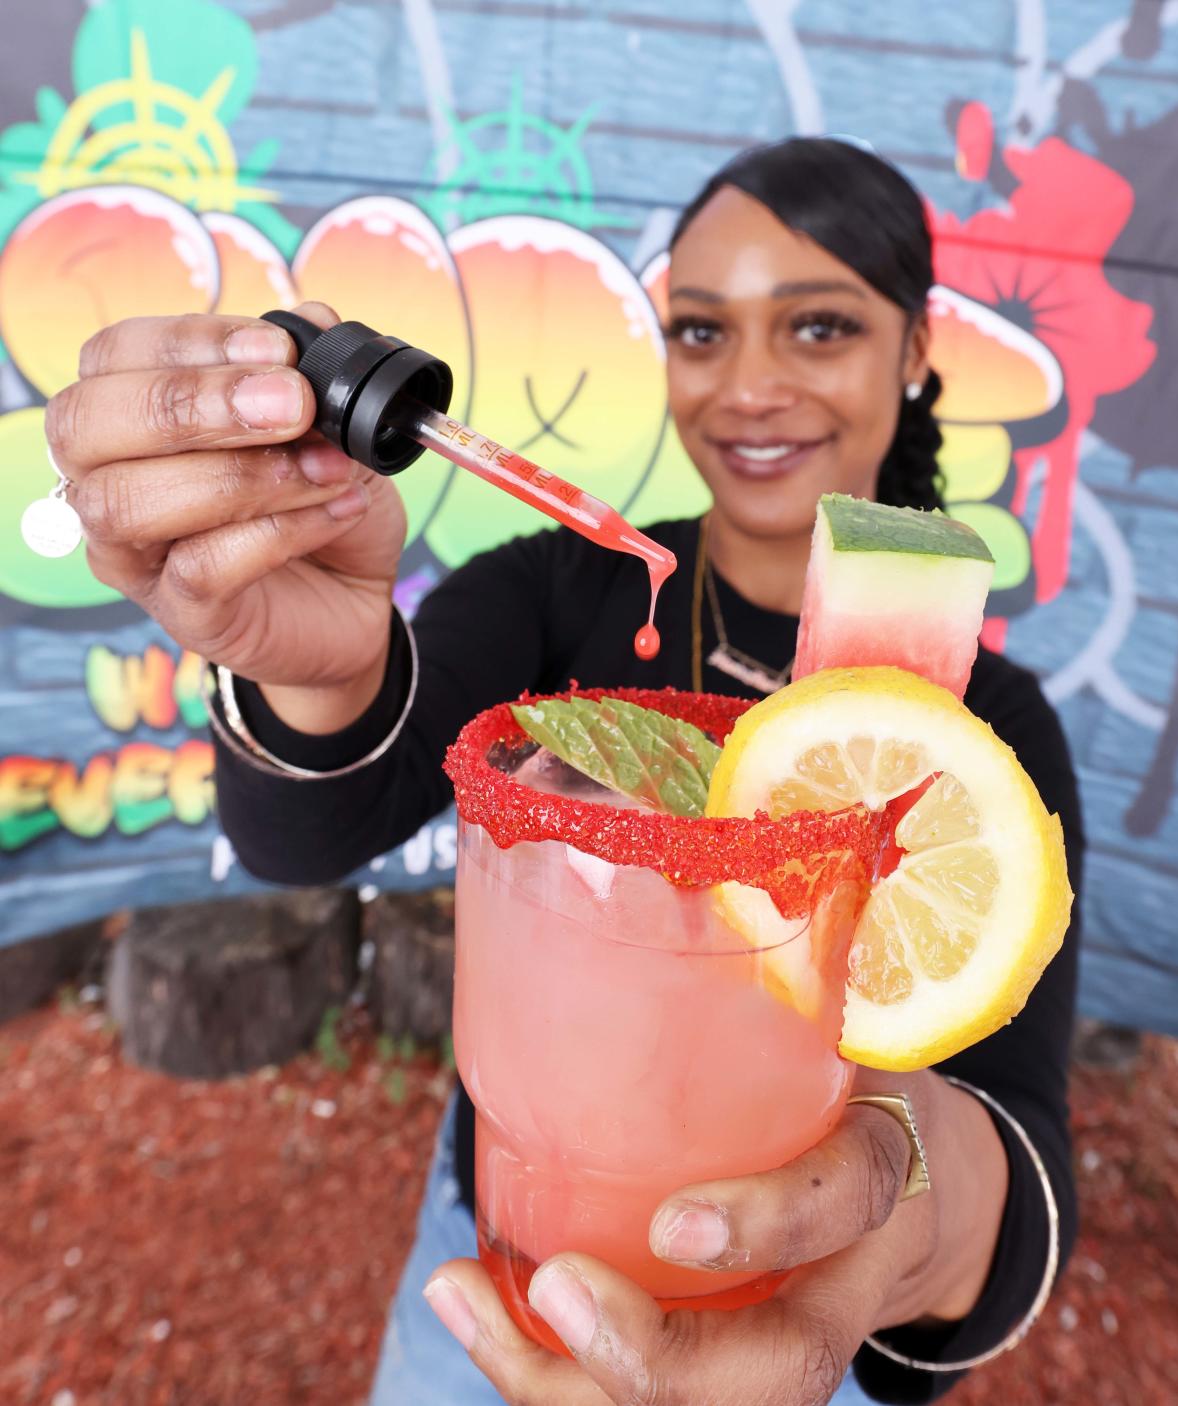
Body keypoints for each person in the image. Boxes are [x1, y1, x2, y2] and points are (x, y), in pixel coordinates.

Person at [53, 138, 1082, 1406]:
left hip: (806, 1315)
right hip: (500, 1259)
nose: (749, 385)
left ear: (918, 350)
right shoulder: (571, 592)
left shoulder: (984, 732)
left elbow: (1015, 1148)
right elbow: (305, 833)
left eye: (818, 327)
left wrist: (905, 1217)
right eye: (701, 333)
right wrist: (305, 661)